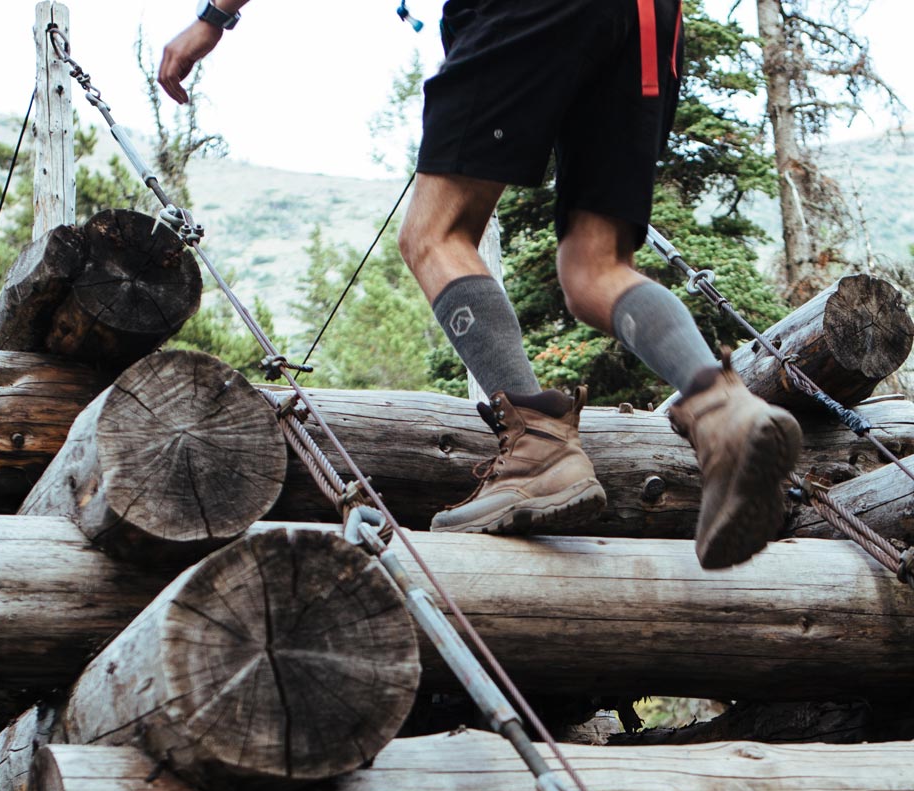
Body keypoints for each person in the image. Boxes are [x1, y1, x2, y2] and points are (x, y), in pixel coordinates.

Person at [159, 0, 802, 570]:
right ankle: (723, 412)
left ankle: (540, 447)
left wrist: (214, 16)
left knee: (434, 235)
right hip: (649, 18)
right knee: (594, 271)